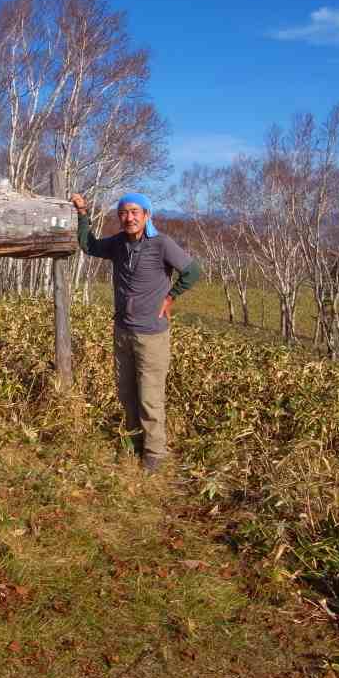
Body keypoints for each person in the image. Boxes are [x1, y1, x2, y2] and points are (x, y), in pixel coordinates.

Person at [70, 191, 201, 472]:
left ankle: (154, 454)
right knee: (127, 392)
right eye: (123, 213)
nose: (128, 218)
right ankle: (133, 443)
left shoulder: (161, 244)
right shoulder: (118, 244)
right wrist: (82, 214)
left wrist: (170, 297)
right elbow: (89, 246)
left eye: (134, 212)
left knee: (149, 397)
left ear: (146, 215)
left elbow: (193, 271)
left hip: (152, 334)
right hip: (123, 330)